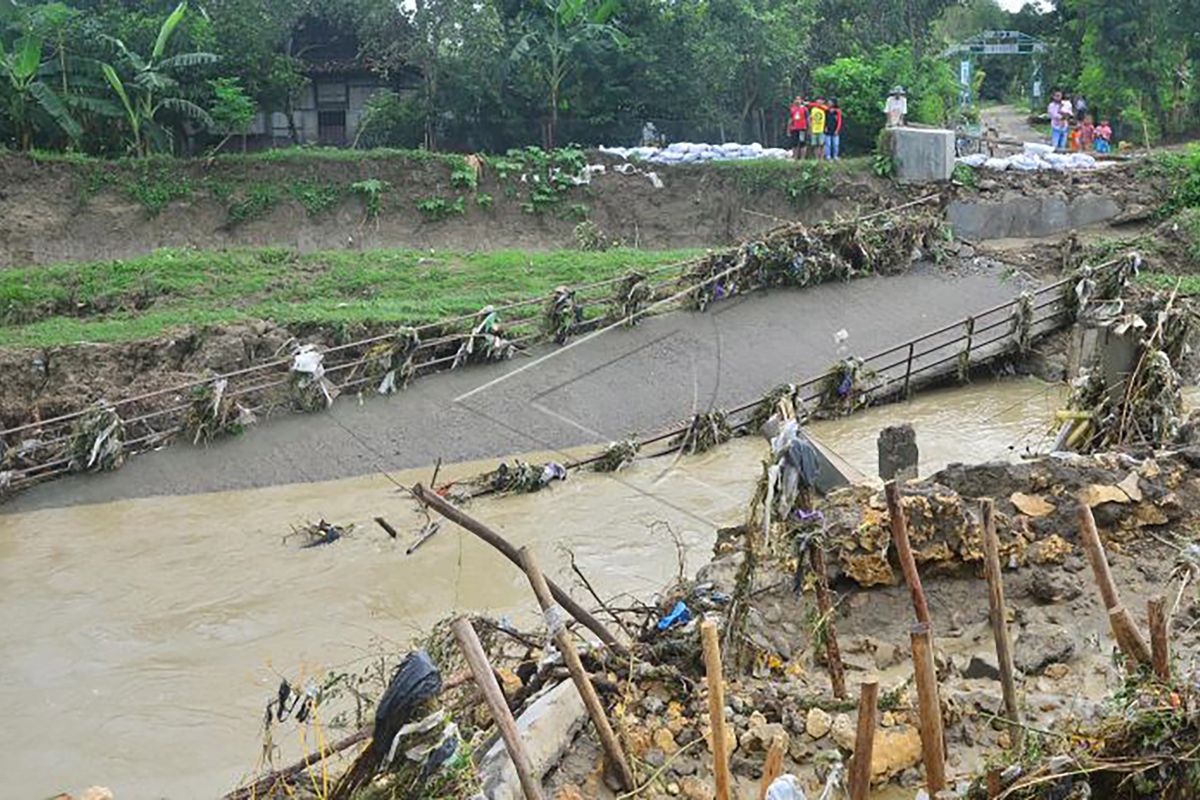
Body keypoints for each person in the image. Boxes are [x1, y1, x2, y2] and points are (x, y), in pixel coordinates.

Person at [787, 95, 808, 160]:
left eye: (799, 99)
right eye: (796, 99)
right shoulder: (792, 109)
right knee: (794, 143)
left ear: (801, 101)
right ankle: (795, 157)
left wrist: (809, 128)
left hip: (802, 128)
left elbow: (807, 119)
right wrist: (788, 129)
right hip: (794, 128)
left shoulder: (804, 109)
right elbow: (790, 120)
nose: (797, 101)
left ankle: (802, 158)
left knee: (803, 143)